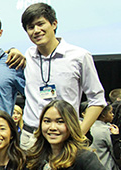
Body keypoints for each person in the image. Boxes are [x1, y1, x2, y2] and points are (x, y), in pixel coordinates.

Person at [20, 3, 106, 150]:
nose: (36, 30)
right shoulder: (28, 56)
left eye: (40, 24)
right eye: (31, 27)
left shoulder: (79, 56)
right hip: (31, 138)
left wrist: (79, 133)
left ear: (54, 24)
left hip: (64, 138)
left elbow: (97, 100)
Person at [90, 103, 120, 170]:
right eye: (110, 112)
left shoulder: (87, 127)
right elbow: (117, 155)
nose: (112, 114)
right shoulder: (107, 130)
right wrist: (116, 136)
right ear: (103, 115)